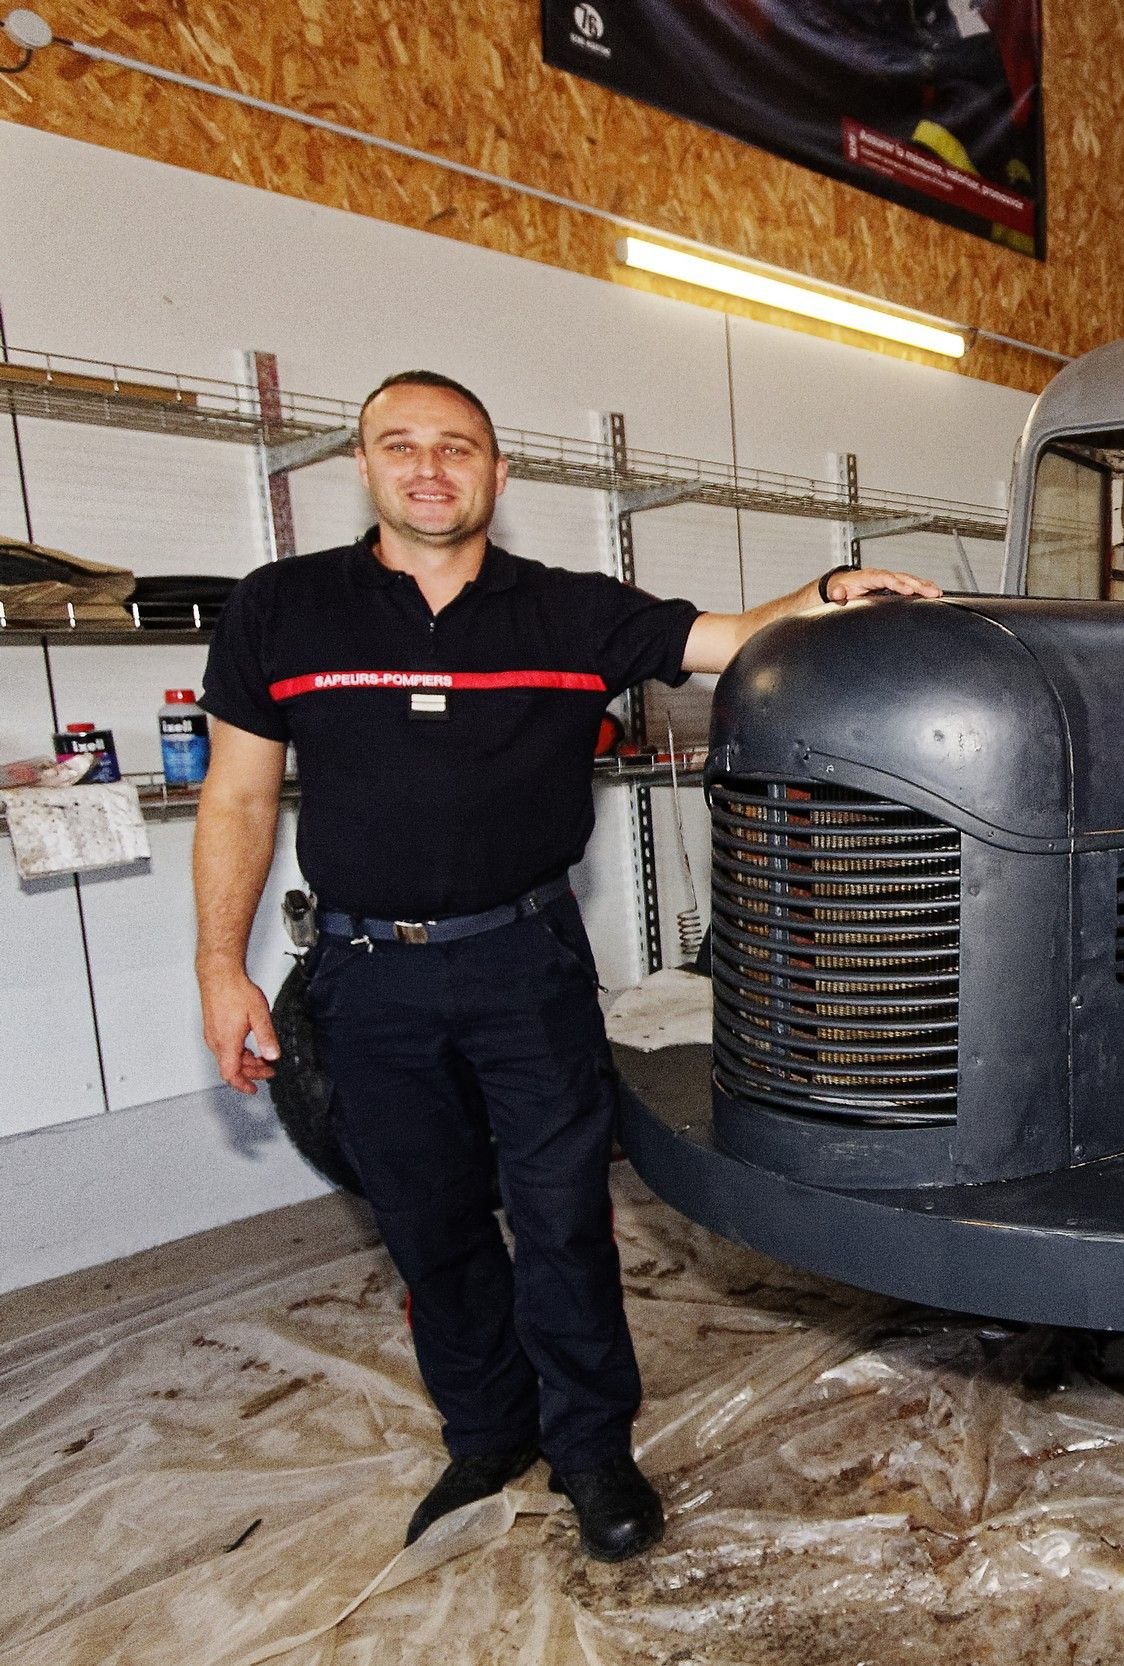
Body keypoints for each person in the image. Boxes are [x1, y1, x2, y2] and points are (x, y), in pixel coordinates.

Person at [191, 370, 940, 1562]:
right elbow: (234, 796)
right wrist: (219, 968)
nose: (429, 467)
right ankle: (485, 1435)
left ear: (498, 473)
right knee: (428, 1227)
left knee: (560, 1222)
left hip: (525, 968)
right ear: (365, 466)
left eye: (458, 447)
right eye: (402, 445)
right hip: (365, 977)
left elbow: (735, 637)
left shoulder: (570, 611)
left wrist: (836, 588)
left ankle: (593, 1451)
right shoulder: (282, 610)